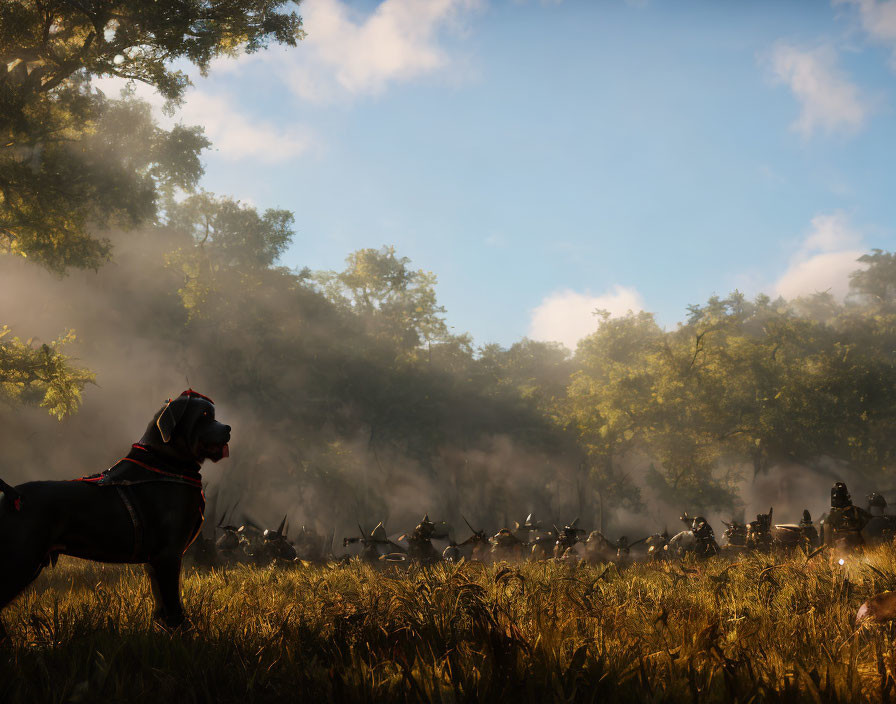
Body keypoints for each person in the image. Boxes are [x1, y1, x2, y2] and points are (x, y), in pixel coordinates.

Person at [823, 482, 870, 552]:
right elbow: (827, 536)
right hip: (839, 547)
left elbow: (867, 524)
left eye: (840, 498)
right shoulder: (831, 515)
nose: (839, 501)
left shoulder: (855, 511)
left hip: (856, 545)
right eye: (837, 498)